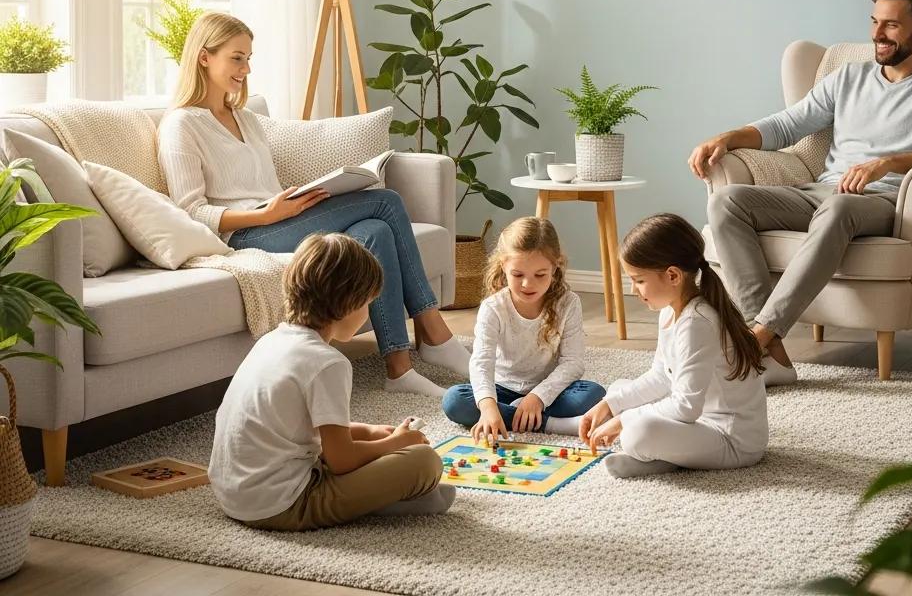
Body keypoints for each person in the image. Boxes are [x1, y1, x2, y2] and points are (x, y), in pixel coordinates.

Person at [158, 11, 470, 397]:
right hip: (241, 235)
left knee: (374, 231)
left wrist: (299, 198)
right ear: (204, 57)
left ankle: (399, 368)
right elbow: (190, 211)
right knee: (386, 202)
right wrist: (265, 214)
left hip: (277, 218)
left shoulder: (246, 118)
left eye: (249, 58)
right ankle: (436, 334)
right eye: (236, 57)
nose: (246, 68)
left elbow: (262, 185)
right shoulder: (181, 125)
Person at [690, 0, 912, 385]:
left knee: (839, 205)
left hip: (883, 202)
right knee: (727, 202)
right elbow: (787, 125)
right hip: (823, 192)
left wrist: (889, 163)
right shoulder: (849, 77)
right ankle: (767, 347)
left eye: (891, 25)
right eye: (874, 21)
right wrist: (726, 137)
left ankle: (761, 334)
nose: (877, 34)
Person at [208, 232, 456, 528]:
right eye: (367, 303)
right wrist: (393, 444)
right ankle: (386, 502)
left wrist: (372, 431)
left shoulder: (272, 341)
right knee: (424, 462)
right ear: (348, 303)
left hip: (234, 495)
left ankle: (382, 493)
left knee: (377, 453)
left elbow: (297, 427)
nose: (367, 314)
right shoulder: (328, 363)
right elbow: (342, 459)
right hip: (282, 504)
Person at [580, 213, 768, 479]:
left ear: (672, 275)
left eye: (639, 280)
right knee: (619, 389)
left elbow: (686, 407)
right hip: (700, 424)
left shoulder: (698, 322)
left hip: (733, 441)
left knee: (636, 431)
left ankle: (667, 457)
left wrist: (623, 419)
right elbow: (661, 377)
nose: (634, 289)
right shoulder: (670, 312)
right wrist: (609, 405)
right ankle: (669, 457)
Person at [441, 217, 606, 439]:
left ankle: (517, 415)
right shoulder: (493, 307)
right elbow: (481, 362)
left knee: (593, 394)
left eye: (540, 275)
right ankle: (550, 424)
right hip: (502, 389)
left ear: (555, 266)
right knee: (455, 401)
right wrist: (489, 407)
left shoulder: (568, 303)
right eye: (518, 275)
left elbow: (573, 363)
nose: (528, 284)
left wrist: (537, 397)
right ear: (503, 267)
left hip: (548, 391)